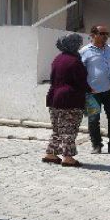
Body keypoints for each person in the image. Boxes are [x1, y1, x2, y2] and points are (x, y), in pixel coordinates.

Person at [79, 25, 110, 156]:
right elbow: (80, 72)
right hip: (92, 92)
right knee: (93, 119)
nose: (105, 36)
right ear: (93, 34)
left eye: (107, 33)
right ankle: (96, 145)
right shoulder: (85, 51)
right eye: (102, 33)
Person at [43, 33, 91, 167]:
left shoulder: (57, 59)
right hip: (70, 99)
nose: (79, 45)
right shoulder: (75, 61)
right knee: (69, 129)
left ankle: (51, 154)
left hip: (54, 98)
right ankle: (68, 157)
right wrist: (91, 89)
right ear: (73, 45)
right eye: (78, 43)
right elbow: (80, 81)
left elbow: (53, 78)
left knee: (58, 129)